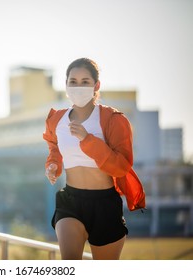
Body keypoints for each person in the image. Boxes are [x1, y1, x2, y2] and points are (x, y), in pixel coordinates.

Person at [43, 58, 145, 260]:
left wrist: (87, 139)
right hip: (70, 201)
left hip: (105, 204)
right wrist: (53, 165)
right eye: (73, 81)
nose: (78, 87)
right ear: (66, 85)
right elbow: (54, 146)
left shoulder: (113, 120)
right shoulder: (57, 120)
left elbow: (121, 167)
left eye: (85, 81)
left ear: (96, 85)